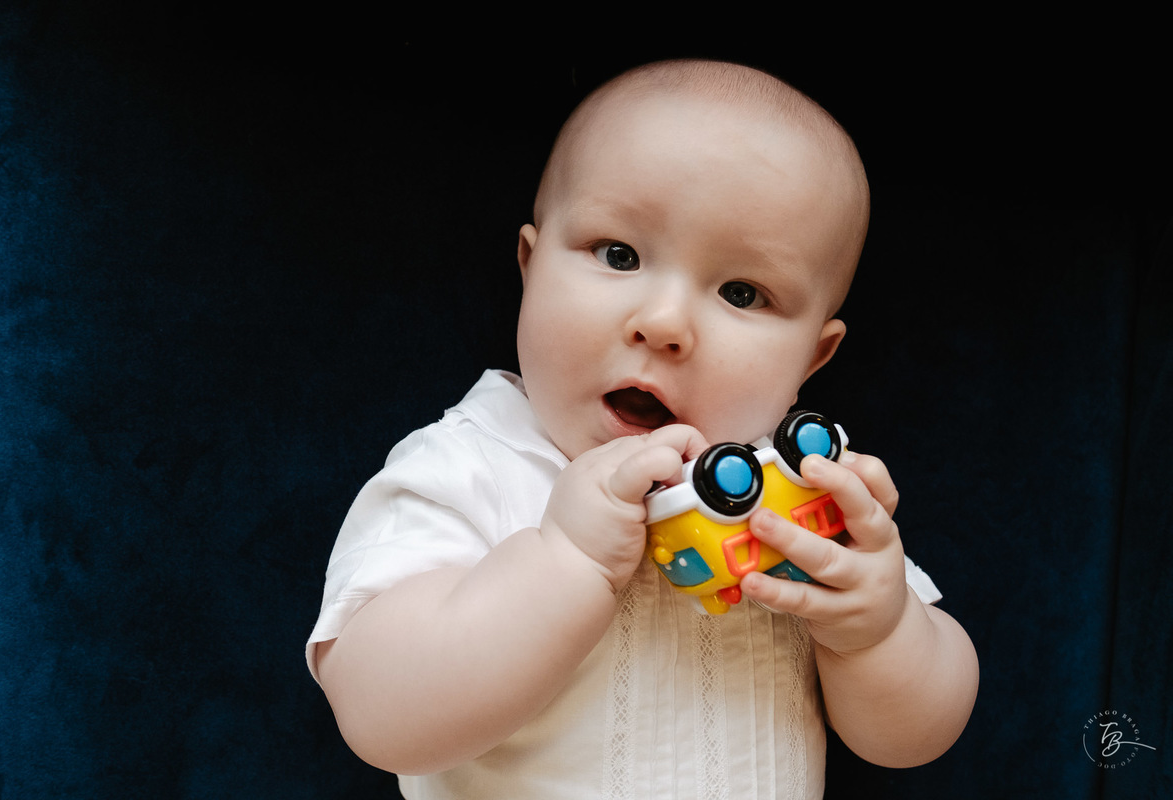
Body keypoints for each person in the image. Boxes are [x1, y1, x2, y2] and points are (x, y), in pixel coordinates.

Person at [307, 58, 979, 799]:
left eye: (742, 292)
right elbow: (381, 717)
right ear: (531, 269)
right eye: (619, 255)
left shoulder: (798, 500)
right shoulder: (468, 466)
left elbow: (913, 742)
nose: (663, 324)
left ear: (812, 359)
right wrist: (567, 561)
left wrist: (878, 631)